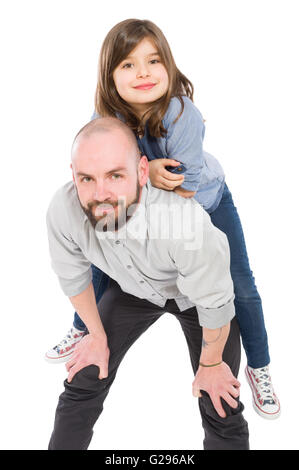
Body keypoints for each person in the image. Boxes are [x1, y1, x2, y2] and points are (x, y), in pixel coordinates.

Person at [45, 18, 280, 420]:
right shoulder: (105, 117)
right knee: (100, 258)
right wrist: (135, 177)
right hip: (147, 200)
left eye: (153, 61)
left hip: (204, 201)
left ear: (168, 66)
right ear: (110, 76)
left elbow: (184, 190)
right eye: (128, 65)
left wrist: (144, 172)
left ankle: (259, 367)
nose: (143, 73)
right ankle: (84, 329)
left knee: (240, 284)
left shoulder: (182, 114)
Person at [47, 117, 249, 450]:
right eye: (87, 178)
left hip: (199, 300)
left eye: (115, 175)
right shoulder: (64, 209)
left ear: (142, 171)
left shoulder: (184, 223)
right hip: (133, 293)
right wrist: (96, 336)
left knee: (218, 397)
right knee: (84, 374)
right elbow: (73, 275)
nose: (101, 193)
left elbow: (215, 300)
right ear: (73, 175)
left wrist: (211, 363)